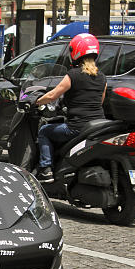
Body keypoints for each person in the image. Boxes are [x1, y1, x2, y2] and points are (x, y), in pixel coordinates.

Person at [34, 33, 107, 183]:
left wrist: (36, 101)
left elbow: (53, 95)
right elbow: (100, 101)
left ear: (75, 52)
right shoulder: (102, 77)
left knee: (44, 131)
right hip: (98, 126)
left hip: (77, 127)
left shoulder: (73, 75)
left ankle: (46, 169)